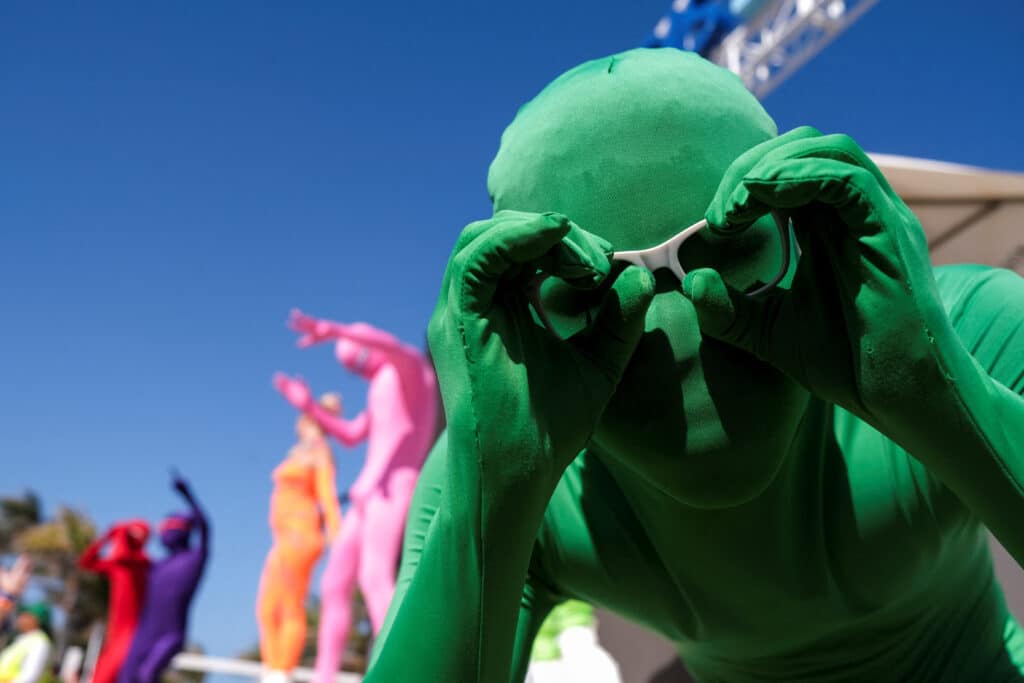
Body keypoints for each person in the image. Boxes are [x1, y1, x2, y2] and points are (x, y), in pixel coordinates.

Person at [364, 47, 1024, 682]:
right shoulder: (506, 458)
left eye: (730, 251)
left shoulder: (956, 333)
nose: (675, 331)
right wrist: (493, 501)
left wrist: (936, 392)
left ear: (801, 227)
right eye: (594, 291)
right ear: (525, 314)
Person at [276, 315, 438, 683]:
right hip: (368, 490)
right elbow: (351, 435)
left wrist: (333, 330)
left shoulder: (411, 369)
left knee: (374, 576)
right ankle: (324, 676)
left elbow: (384, 343)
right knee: (333, 583)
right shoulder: (380, 384)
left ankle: (400, 668)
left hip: (394, 487)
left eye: (357, 358)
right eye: (351, 367)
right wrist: (309, 407)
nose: (357, 368)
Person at [256, 390, 342, 683]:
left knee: (291, 603)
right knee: (266, 607)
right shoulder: (300, 451)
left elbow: (327, 494)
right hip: (282, 537)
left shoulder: (319, 451)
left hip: (301, 534)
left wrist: (335, 530)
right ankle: (272, 667)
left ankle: (282, 670)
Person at [117, 474, 210, 683]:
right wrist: (123, 533)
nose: (165, 533)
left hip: (170, 635)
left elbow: (205, 526)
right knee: (126, 677)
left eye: (171, 527)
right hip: (143, 634)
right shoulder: (156, 566)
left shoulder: (194, 559)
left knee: (146, 675)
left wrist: (189, 496)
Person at [79, 521, 150, 683]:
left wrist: (118, 536)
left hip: (133, 631)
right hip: (115, 630)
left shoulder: (144, 564)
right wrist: (106, 536)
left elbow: (127, 557)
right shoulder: (118, 565)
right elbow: (86, 562)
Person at [0, 602, 52, 683]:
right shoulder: (23, 639)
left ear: (35, 619)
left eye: (25, 615)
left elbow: (29, 677)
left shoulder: (40, 643)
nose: (20, 617)